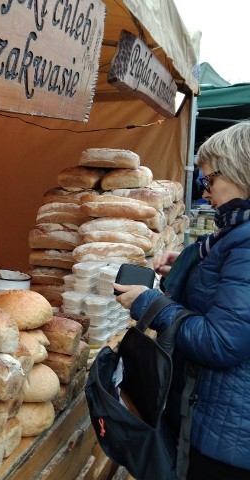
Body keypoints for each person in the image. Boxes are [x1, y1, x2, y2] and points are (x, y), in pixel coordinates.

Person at [114, 122, 250, 479]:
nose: (204, 193)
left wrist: (150, 303)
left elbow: (220, 342)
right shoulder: (233, 235)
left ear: (241, 172)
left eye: (208, 180)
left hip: (225, 436)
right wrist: (188, 266)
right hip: (214, 417)